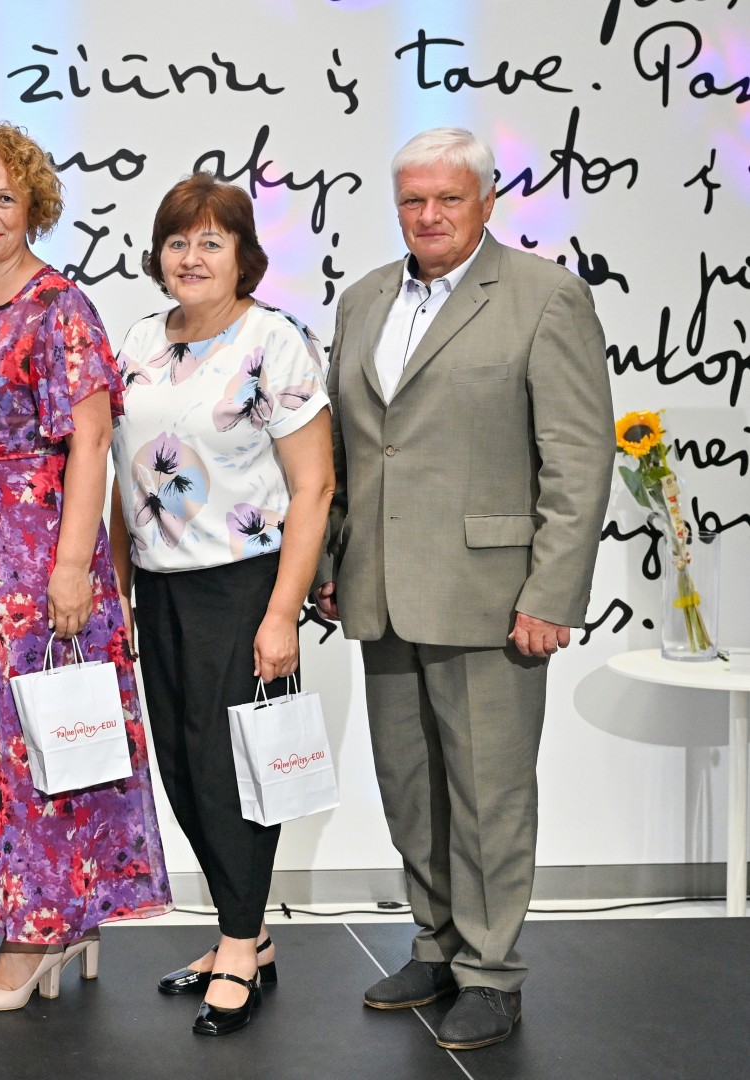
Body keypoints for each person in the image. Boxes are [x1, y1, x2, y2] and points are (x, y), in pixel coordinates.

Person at [312, 127, 612, 1051]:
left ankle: (490, 973)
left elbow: (578, 458)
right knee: (410, 789)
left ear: (487, 202)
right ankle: (437, 946)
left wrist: (551, 593)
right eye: (413, 199)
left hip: (491, 594)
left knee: (489, 796)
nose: (429, 215)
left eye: (449, 198)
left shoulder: (545, 296)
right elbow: (349, 451)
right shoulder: (365, 299)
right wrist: (331, 561)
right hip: (379, 588)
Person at [0, 121, 173, 1012]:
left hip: (33, 549)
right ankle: (58, 921)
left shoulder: (61, 307)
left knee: (31, 745)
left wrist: (73, 567)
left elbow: (91, 442)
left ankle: (38, 932)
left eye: (3, 198)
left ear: (34, 205)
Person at [108, 175, 334, 1037]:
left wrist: (281, 615)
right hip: (160, 585)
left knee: (231, 773)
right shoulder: (139, 339)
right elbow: (125, 477)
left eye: (211, 241)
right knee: (180, 767)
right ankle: (248, 931)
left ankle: (239, 943)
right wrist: (119, 588)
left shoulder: (274, 340)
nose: (192, 256)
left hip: (242, 585)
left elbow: (313, 488)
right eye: (178, 241)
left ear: (244, 255)